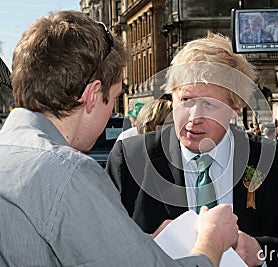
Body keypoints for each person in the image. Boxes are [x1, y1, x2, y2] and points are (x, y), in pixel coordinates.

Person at [0, 11, 239, 267]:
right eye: (114, 97)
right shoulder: (68, 172)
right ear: (92, 95)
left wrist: (142, 246)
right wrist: (211, 242)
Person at [106, 33, 278, 267]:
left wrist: (261, 252)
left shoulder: (274, 162)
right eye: (186, 100)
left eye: (209, 104)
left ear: (234, 108)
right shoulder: (130, 158)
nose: (194, 117)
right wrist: (147, 247)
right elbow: (99, 245)